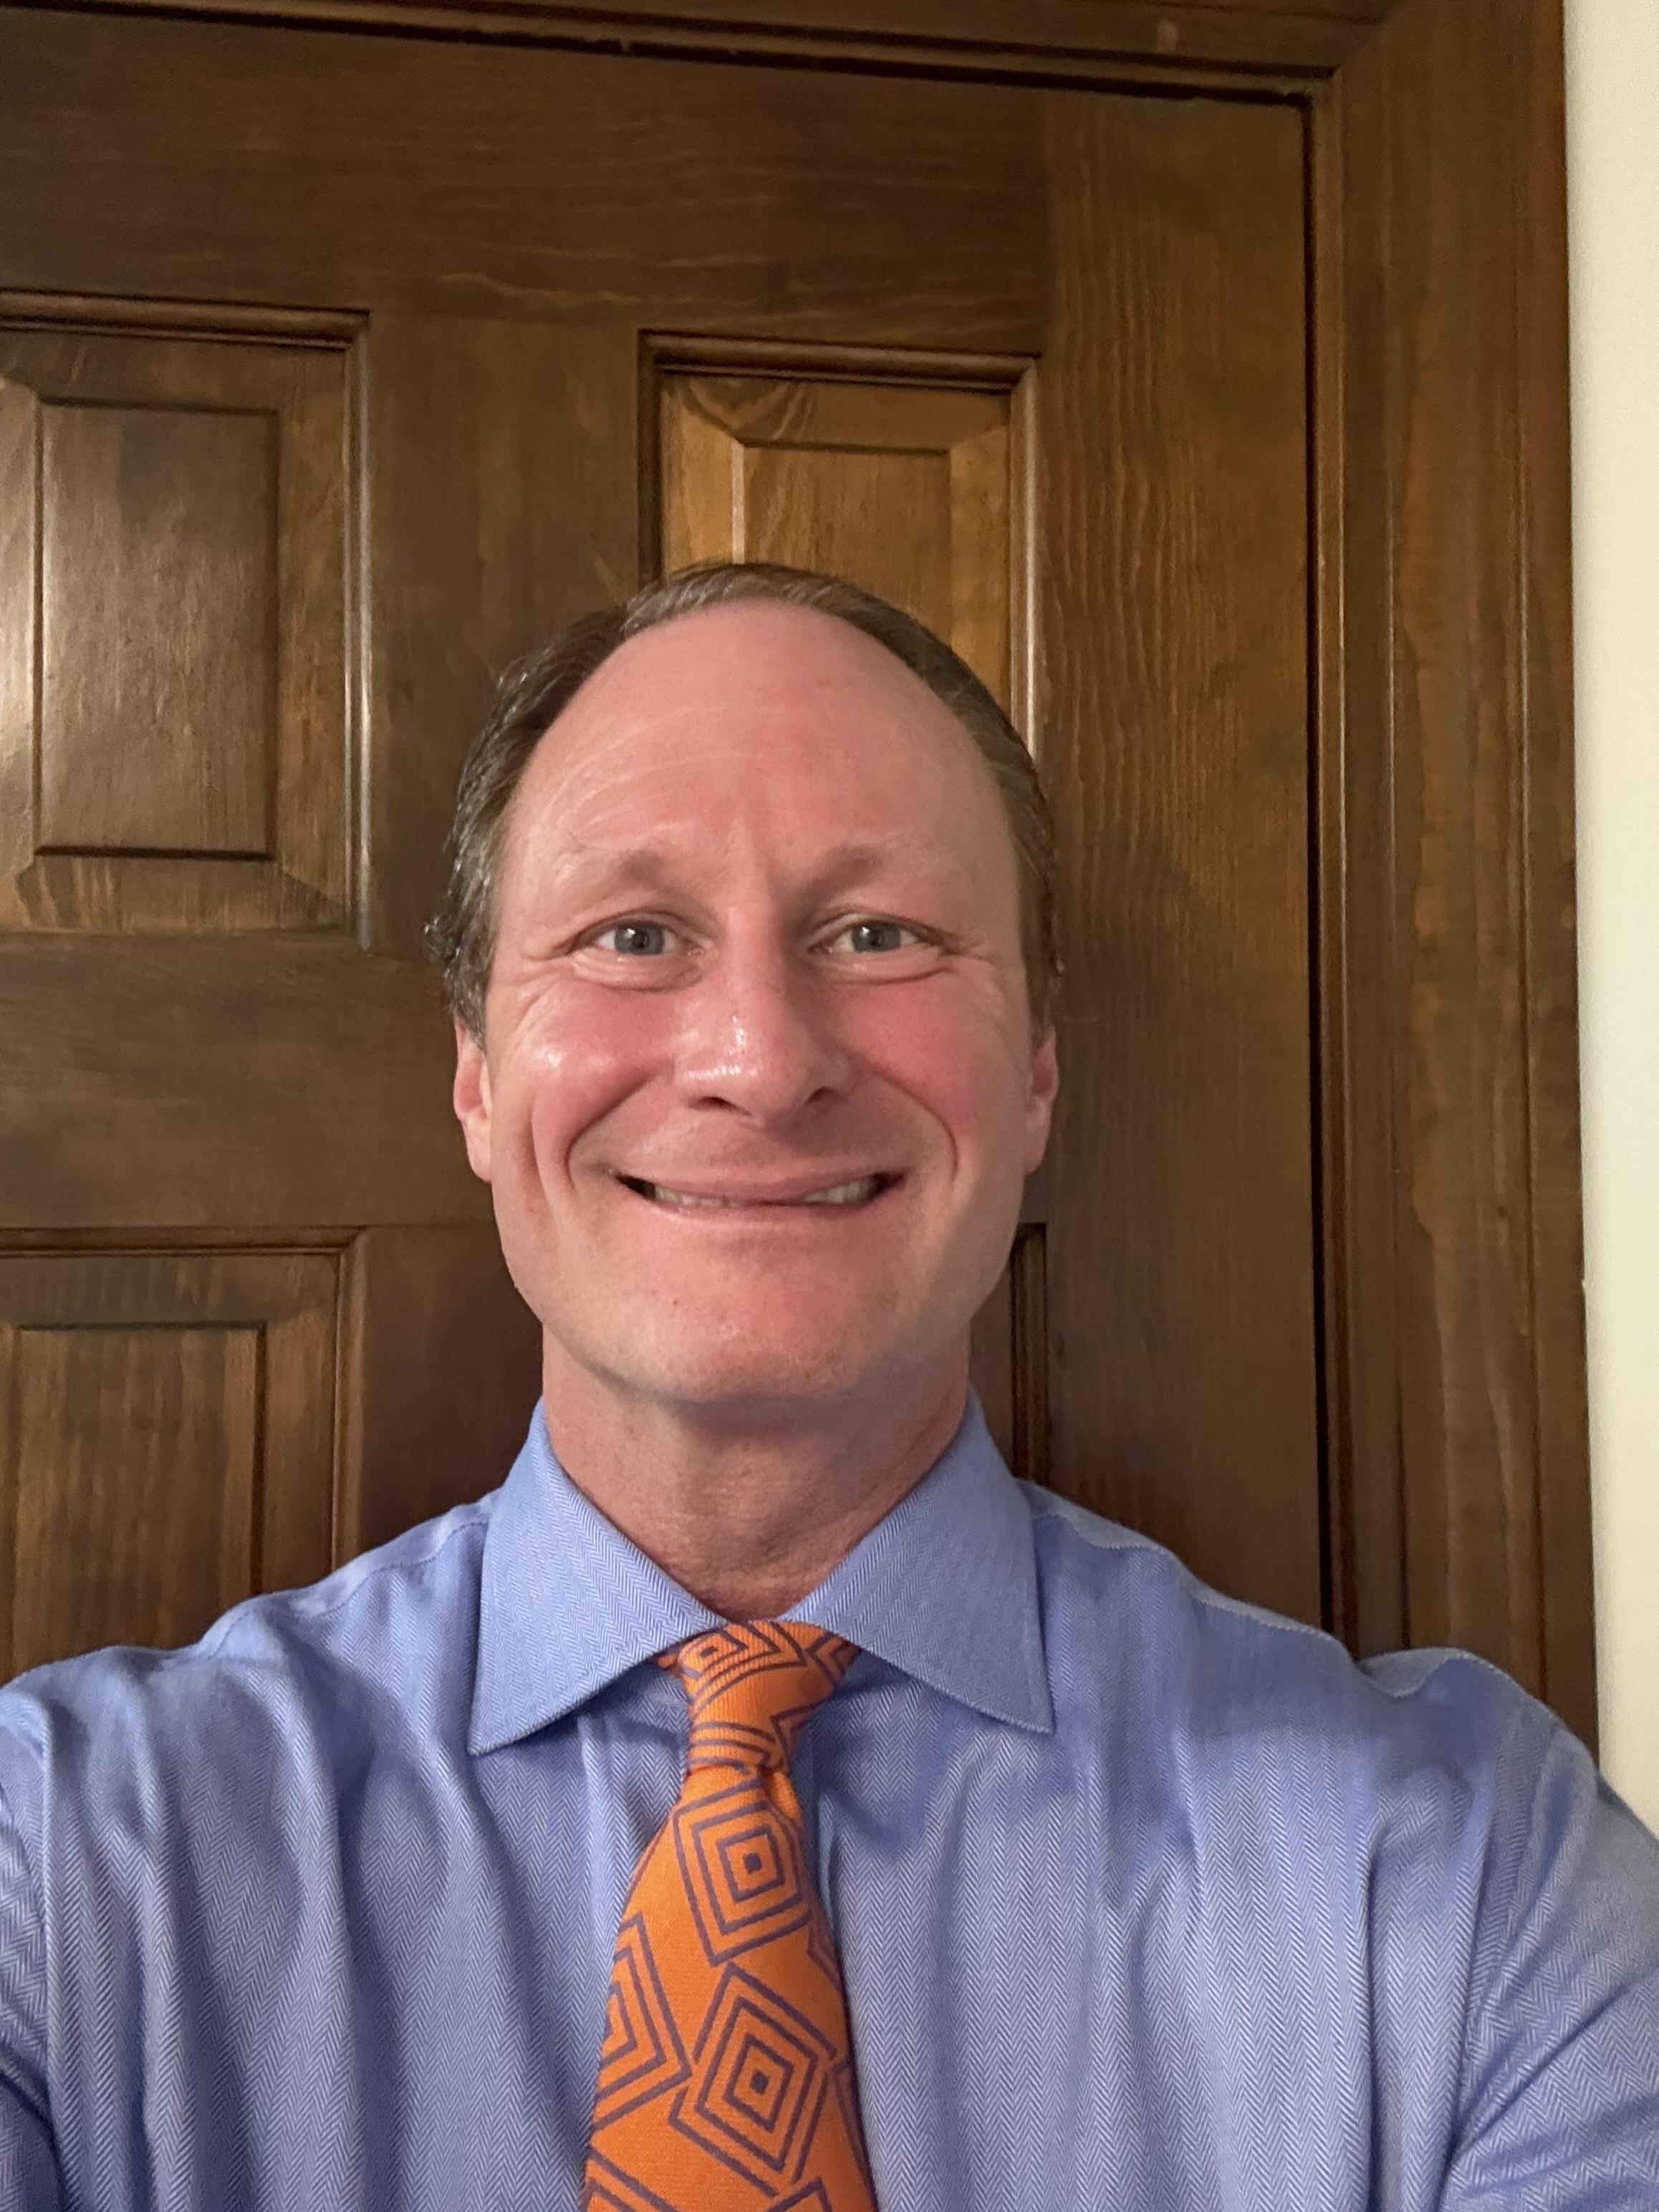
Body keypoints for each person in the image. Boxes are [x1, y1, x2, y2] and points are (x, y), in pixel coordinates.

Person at [1, 563, 1655, 2211]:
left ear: (1037, 1072)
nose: (760, 1057)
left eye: (880, 933)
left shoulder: (1472, 1876)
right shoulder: (61, 1868)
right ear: (478, 1076)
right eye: (632, 934)